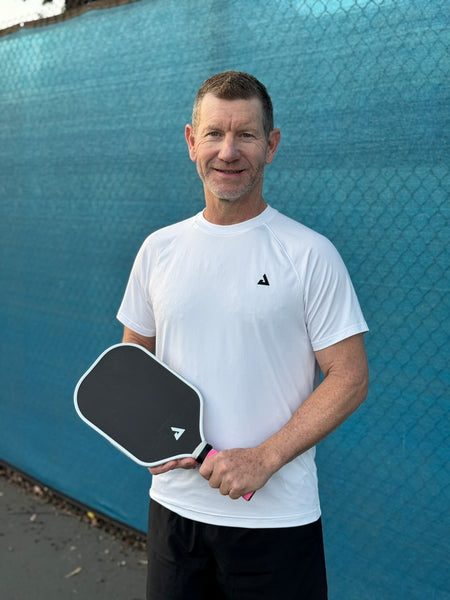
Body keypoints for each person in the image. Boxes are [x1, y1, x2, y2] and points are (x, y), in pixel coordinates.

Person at [117, 70, 369, 599]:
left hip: (277, 525)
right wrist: (144, 432)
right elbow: (131, 361)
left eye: (246, 135)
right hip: (175, 516)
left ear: (271, 145)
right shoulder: (158, 250)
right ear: (191, 142)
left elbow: (349, 377)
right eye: (214, 133)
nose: (228, 151)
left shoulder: (309, 254)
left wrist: (264, 458)